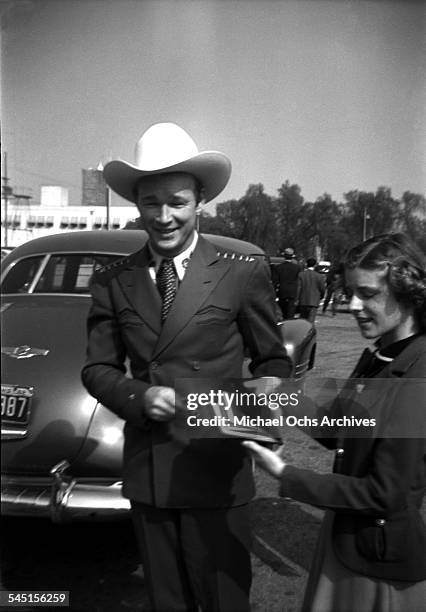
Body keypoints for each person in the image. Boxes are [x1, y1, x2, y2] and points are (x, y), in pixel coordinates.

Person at [81, 122, 292, 612]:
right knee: (167, 602)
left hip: (218, 473)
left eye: (177, 201)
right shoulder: (113, 280)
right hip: (151, 475)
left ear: (200, 200)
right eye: (152, 202)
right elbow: (97, 369)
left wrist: (266, 391)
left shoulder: (241, 273)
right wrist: (137, 396)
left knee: (224, 601)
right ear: (137, 204)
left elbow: (273, 357)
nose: (165, 216)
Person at [243, 232, 426, 611]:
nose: (353, 305)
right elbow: (339, 429)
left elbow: (384, 494)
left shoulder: (418, 375)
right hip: (350, 541)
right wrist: (279, 392)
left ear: (408, 293)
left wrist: (285, 474)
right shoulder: (382, 357)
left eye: (368, 294)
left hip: (378, 567)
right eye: (350, 292)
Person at [275, 247, 302, 319]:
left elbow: (275, 281)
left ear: (284, 256)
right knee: (290, 312)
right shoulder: (297, 268)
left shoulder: (278, 267)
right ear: (292, 256)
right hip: (293, 292)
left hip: (282, 291)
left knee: (283, 311)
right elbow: (299, 281)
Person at [298, 257, 325, 323]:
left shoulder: (301, 274)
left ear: (306, 264)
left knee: (302, 321)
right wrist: (321, 296)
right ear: (315, 265)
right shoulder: (319, 276)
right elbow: (322, 289)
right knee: (311, 321)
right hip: (314, 301)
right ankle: (309, 332)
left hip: (303, 300)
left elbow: (298, 288)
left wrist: (297, 299)